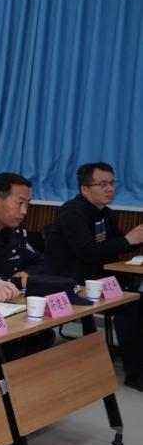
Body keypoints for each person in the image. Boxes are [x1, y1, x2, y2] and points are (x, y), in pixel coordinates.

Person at [43, 162, 143, 389]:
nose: (110, 189)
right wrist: (128, 240)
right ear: (85, 189)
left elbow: (116, 246)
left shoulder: (106, 213)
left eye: (112, 183)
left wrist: (135, 238)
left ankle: (136, 358)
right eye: (103, 184)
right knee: (128, 306)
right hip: (71, 280)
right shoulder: (72, 213)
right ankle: (134, 373)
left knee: (137, 300)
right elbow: (88, 252)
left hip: (97, 279)